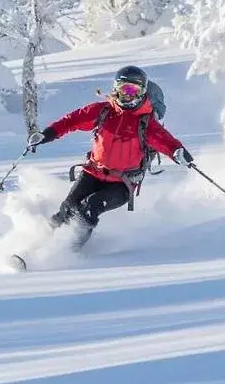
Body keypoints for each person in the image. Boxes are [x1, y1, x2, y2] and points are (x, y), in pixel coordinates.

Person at [25, 65, 196, 249]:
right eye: (124, 89)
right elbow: (72, 120)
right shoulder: (103, 111)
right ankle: (37, 244)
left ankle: (66, 251)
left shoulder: (145, 122)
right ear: (116, 88)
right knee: (68, 208)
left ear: (142, 92)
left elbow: (165, 141)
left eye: (133, 90)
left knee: (89, 208)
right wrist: (47, 134)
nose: (128, 95)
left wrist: (178, 152)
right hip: (93, 173)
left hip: (122, 183)